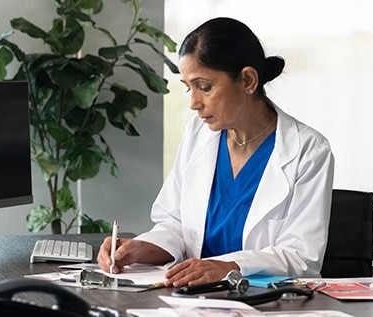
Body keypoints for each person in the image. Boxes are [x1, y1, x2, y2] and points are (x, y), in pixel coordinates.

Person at [97, 17, 334, 288]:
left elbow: (301, 257)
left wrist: (228, 267)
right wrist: (141, 248)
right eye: (188, 87)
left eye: (204, 87)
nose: (193, 103)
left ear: (247, 80)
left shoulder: (308, 150)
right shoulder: (197, 135)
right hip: (190, 298)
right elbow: (174, 224)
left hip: (261, 302)